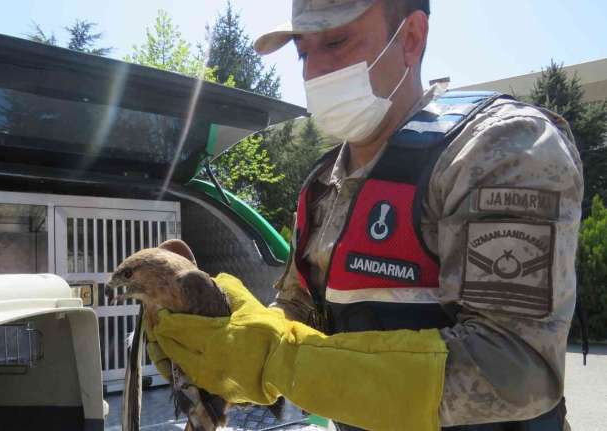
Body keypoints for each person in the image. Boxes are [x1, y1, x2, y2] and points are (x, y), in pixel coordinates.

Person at [151, 1, 583, 430]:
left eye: (337, 41)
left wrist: (284, 363)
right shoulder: (324, 183)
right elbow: (298, 316)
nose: (314, 72)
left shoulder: (500, 148)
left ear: (411, 38)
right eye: (303, 51)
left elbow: (516, 367)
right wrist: (226, 340)